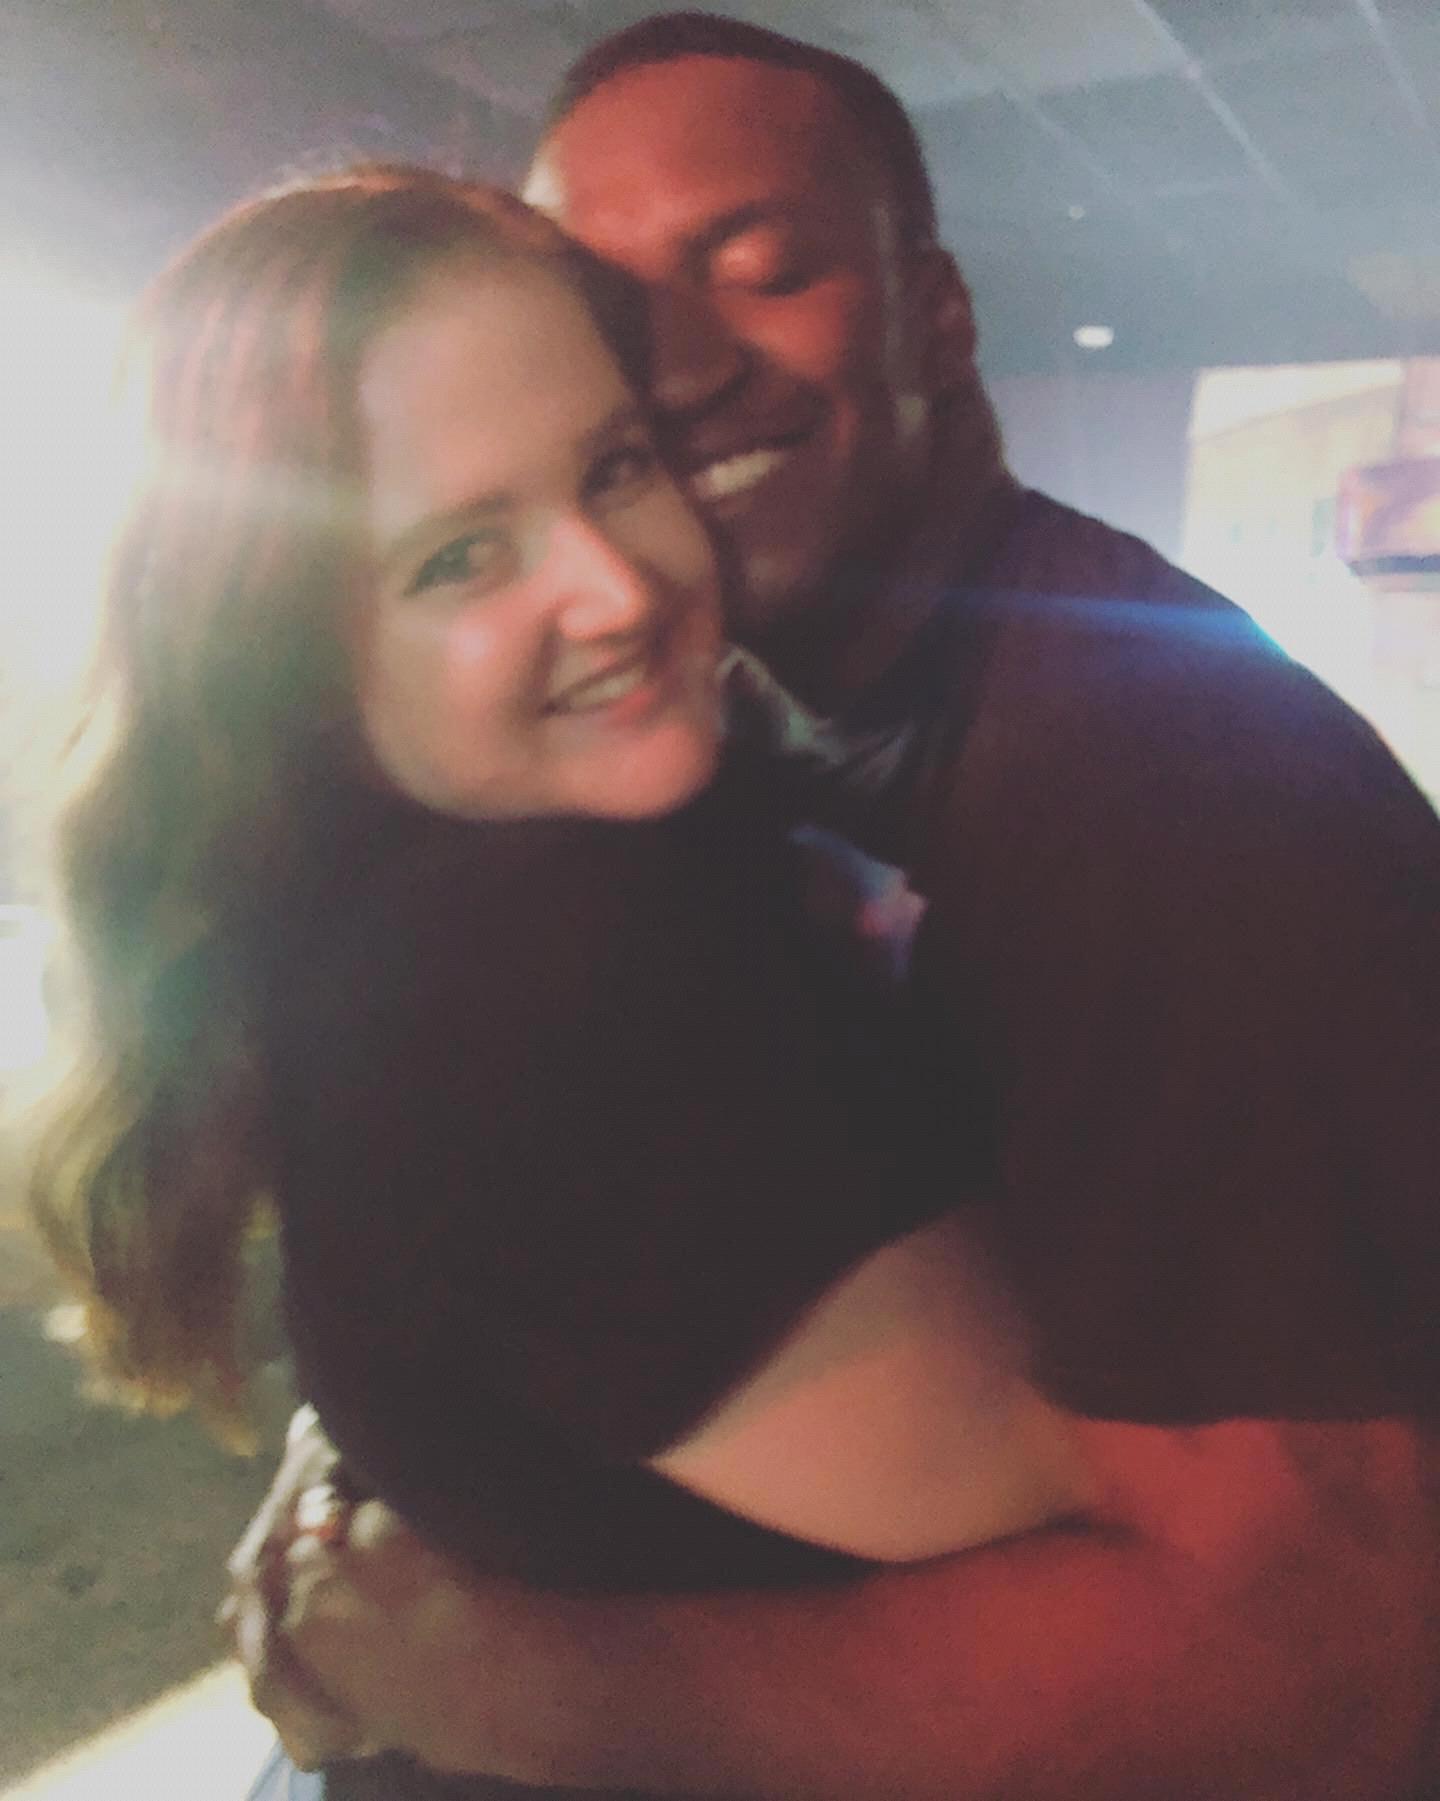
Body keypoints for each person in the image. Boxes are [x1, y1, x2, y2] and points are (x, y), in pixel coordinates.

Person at [229, 14, 1440, 1801]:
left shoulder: (1162, 776)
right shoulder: (740, 723)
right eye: (611, 309)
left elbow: (1330, 1658)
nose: (678, 362)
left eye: (766, 268)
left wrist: (501, 1675)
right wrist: (400, 1442)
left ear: (933, 315)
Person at [24, 159, 1105, 1794]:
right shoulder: (542, 969)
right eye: (460, 556)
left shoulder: (429, 878)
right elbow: (1088, 1516)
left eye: (616, 467)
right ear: (290, 655)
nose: (617, 586)